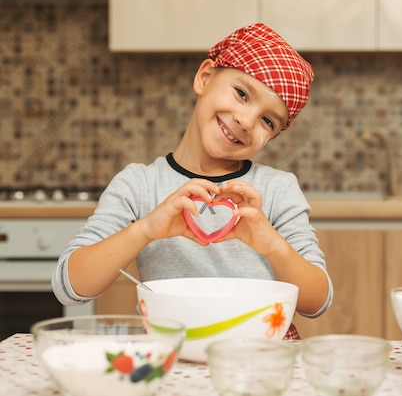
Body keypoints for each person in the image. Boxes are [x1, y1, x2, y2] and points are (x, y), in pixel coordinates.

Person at [52, 23, 333, 338]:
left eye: (267, 121)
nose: (246, 120)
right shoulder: (138, 184)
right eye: (242, 93)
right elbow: (70, 287)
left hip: (260, 362)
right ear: (205, 77)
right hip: (167, 357)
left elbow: (317, 303)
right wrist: (146, 229)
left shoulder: (278, 190)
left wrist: (273, 245)